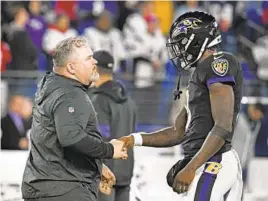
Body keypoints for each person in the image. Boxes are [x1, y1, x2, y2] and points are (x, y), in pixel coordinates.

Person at [120, 11, 244, 201]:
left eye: (182, 42)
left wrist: (191, 167)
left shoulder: (218, 63)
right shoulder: (199, 74)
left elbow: (222, 126)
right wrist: (134, 139)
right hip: (207, 160)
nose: (180, 49)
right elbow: (177, 132)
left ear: (196, 41)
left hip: (216, 160)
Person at [21, 36, 128, 201]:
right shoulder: (70, 93)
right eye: (88, 58)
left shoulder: (51, 85)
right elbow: (71, 137)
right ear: (71, 67)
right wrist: (110, 150)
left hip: (43, 185)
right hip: (65, 189)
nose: (94, 63)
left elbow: (52, 140)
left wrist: (96, 166)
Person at [89, 50, 137, 201]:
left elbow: (100, 136)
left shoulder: (98, 100)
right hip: (126, 168)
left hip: (105, 172)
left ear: (94, 68)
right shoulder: (129, 101)